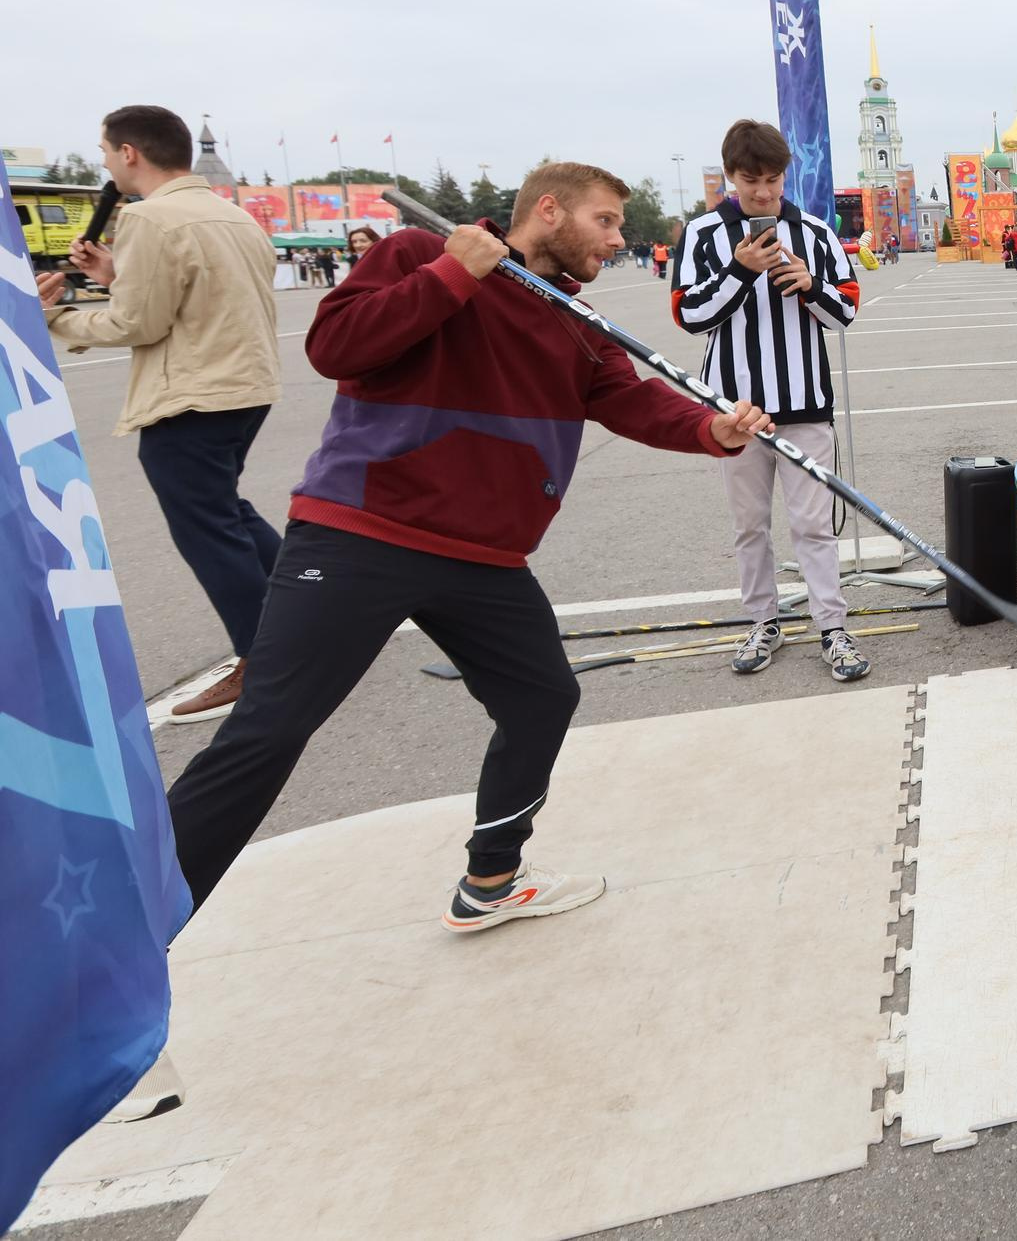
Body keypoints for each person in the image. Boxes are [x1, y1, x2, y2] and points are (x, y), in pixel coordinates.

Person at [162, 162, 772, 933]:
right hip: (362, 531)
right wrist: (453, 273)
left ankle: (491, 878)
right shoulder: (423, 254)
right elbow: (335, 344)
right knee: (270, 728)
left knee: (542, 695)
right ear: (548, 210)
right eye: (607, 221)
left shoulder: (570, 315)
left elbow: (625, 394)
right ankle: (121, 938)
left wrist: (706, 429)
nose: (618, 239)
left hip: (484, 558)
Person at [35, 105, 283, 724]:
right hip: (245, 385)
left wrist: (50, 318)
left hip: (191, 393)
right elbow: (199, 291)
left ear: (130, 154)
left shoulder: (147, 217)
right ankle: (309, 612)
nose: (101, 160)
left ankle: (264, 658)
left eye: (104, 149)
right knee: (224, 509)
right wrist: (117, 273)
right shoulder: (231, 213)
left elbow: (137, 322)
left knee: (206, 525)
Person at [675, 121, 871, 683]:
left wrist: (809, 285)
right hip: (733, 411)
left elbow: (845, 313)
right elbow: (689, 315)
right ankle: (763, 619)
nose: (763, 191)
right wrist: (740, 270)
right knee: (749, 525)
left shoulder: (813, 230)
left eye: (772, 179)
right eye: (749, 180)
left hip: (804, 401)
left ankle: (832, 626)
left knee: (813, 525)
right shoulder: (702, 234)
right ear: (730, 177)